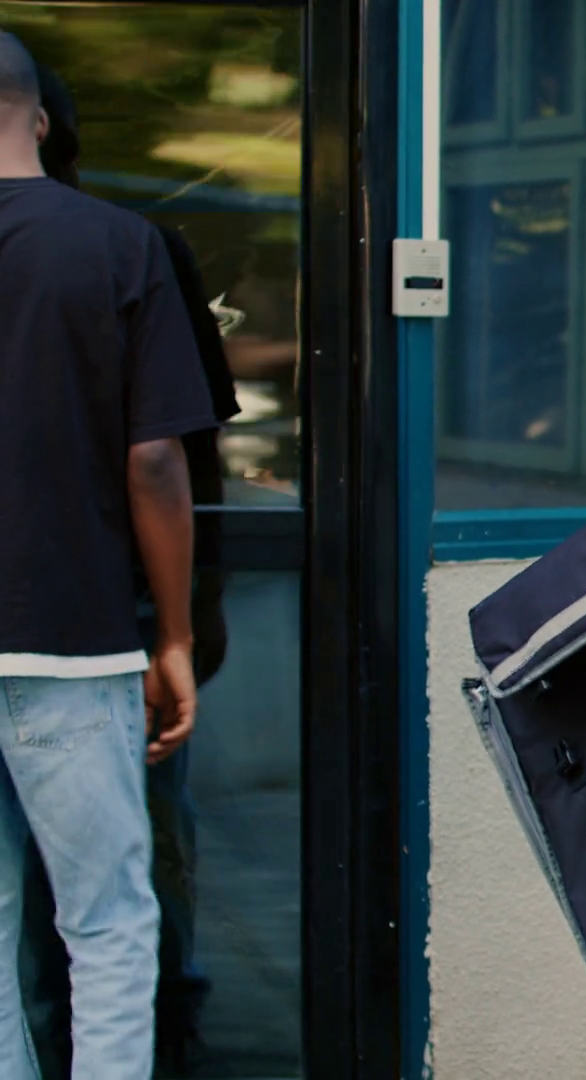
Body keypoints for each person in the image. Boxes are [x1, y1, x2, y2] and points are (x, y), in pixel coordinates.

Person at [18, 64, 240, 1078]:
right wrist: (182, 628)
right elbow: (164, 456)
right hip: (80, 639)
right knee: (108, 913)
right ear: (43, 122)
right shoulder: (123, 245)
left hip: (73, 638)